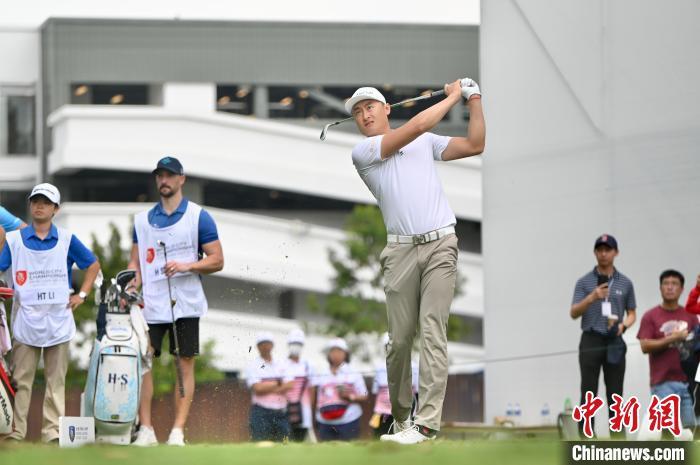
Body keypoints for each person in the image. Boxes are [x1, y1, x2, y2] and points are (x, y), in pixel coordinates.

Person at [346, 78, 484, 444]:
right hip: (400, 251)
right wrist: (453, 95)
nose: (364, 115)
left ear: (386, 109)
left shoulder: (423, 142)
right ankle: (402, 418)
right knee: (399, 342)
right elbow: (418, 125)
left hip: (441, 243)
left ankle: (426, 425)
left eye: (370, 107)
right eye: (358, 112)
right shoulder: (365, 152)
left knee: (432, 330)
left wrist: (474, 99)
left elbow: (475, 144)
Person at [129, 156, 224, 446]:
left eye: (170, 175)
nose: (164, 181)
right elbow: (136, 264)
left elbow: (217, 260)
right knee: (144, 362)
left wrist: (187, 266)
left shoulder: (199, 216)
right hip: (152, 305)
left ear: (181, 179)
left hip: (186, 303)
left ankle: (177, 432)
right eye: (160, 176)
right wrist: (131, 290)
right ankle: (145, 429)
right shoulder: (142, 220)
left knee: (184, 365)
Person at [0, 183, 100, 442]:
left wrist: (83, 295)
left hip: (58, 321)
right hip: (26, 320)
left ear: (55, 209)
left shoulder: (67, 239)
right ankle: (15, 433)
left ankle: (52, 433)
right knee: (21, 381)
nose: (39, 206)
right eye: (35, 201)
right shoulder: (14, 241)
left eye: (45, 202)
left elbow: (92, 264)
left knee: (56, 383)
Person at [570, 234, 636, 438]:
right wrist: (592, 297)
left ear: (616, 253)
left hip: (615, 339)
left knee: (616, 393)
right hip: (591, 338)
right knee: (588, 390)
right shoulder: (584, 282)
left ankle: (617, 438)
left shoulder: (625, 282)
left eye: (608, 250)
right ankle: (586, 437)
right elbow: (573, 312)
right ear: (595, 253)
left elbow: (632, 312)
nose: (604, 254)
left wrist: (624, 326)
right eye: (600, 250)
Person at [637, 269, 697, 435]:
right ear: (660, 288)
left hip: (688, 382)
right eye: (666, 283)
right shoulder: (650, 316)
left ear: (682, 289)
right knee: (668, 431)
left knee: (689, 430)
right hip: (662, 383)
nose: (670, 287)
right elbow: (645, 346)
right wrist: (673, 338)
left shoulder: (690, 316)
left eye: (674, 284)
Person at [313, 338, 368, 441]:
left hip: (349, 419)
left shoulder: (353, 372)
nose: (335, 354)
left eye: (339, 351)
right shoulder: (321, 372)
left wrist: (350, 396)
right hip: (324, 421)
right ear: (328, 354)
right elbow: (318, 396)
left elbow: (364, 395)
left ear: (345, 353)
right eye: (333, 351)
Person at [246, 332, 293, 442]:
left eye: (268, 343)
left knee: (284, 445)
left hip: (281, 412)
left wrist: (267, 386)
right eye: (262, 343)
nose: (265, 346)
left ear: (272, 345)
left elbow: (290, 384)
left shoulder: (282, 363)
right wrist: (278, 383)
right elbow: (258, 389)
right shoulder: (252, 365)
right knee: (260, 444)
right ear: (258, 346)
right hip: (261, 412)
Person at [370, 332, 419, 438]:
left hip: (406, 414)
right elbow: (376, 392)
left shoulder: (413, 366)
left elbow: (417, 393)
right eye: (388, 346)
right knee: (380, 442)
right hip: (383, 414)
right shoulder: (379, 368)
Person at [283, 328, 315, 442]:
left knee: (301, 439)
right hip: (285, 409)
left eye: (298, 344)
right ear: (288, 344)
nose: (295, 346)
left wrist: (309, 407)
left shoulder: (308, 365)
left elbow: (312, 389)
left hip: (304, 410)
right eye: (293, 343)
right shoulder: (282, 364)